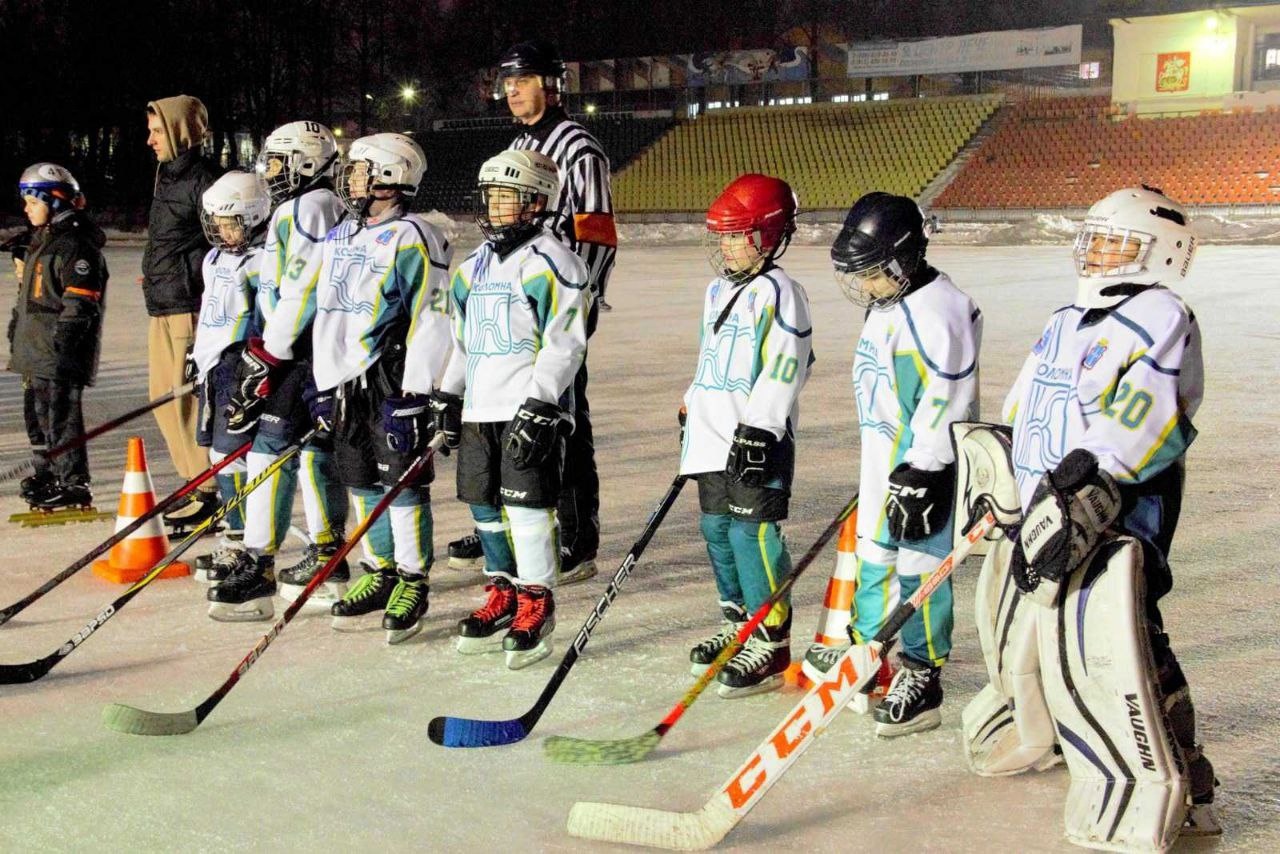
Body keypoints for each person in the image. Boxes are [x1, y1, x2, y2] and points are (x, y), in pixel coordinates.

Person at [1002, 186, 1217, 836]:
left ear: (1165, 252)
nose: (1095, 254)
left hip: (1123, 508)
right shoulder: (1065, 318)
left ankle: (1184, 774)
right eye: (1092, 239)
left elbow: (1149, 417)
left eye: (1113, 242)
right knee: (1070, 639)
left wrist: (1086, 483)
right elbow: (1026, 406)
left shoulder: (1161, 315)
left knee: (1130, 635)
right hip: (1052, 512)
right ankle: (1095, 753)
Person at [803, 192, 981, 736]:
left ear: (904, 259)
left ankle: (922, 674)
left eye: (874, 273)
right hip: (885, 465)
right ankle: (868, 656)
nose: (866, 286)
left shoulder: (941, 310)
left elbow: (947, 396)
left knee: (920, 570)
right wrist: (879, 469)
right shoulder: (886, 305)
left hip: (925, 471)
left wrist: (924, 469)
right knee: (875, 559)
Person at [447, 38, 615, 581]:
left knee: (558, 422)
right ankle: (507, 514)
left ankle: (573, 538)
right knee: (499, 411)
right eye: (507, 81)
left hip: (550, 307)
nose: (511, 90)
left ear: (551, 84)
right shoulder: (523, 141)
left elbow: (595, 233)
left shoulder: (576, 147)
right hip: (515, 301)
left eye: (522, 79)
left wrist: (577, 305)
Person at [436, 149, 589, 670]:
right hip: (481, 408)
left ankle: (537, 600)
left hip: (527, 407)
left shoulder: (554, 261)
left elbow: (565, 343)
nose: (496, 207)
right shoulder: (472, 266)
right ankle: (502, 589)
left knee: (527, 510)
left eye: (508, 197)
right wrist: (448, 393)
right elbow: (464, 341)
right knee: (484, 510)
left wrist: (541, 402)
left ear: (536, 202)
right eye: (492, 196)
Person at [308, 133, 453, 644]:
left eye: (360, 170)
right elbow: (327, 313)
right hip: (346, 382)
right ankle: (381, 567)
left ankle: (414, 577)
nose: (350, 179)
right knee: (362, 480)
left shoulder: (416, 235)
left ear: (390, 177)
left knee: (402, 483)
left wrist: (416, 392)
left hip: (391, 378)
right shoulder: (342, 235)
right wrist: (322, 381)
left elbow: (432, 317)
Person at [680, 173, 812, 699]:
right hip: (712, 437)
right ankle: (737, 621)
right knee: (716, 530)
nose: (728, 246)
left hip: (757, 440)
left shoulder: (781, 293)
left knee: (751, 535)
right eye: (724, 236)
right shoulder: (716, 291)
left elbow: (788, 363)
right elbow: (709, 356)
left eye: (739, 235)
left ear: (770, 235)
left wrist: (760, 427)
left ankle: (770, 638)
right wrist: (692, 398)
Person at [214, 121, 351, 604]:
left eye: (276, 161)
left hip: (296, 353)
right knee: (313, 452)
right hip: (303, 349)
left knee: (268, 452)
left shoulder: (308, 207)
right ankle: (328, 548)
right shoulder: (312, 206)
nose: (269, 172)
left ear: (306, 161)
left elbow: (301, 284)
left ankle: (258, 560)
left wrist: (269, 350)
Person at [186, 171, 270, 589]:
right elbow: (211, 312)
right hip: (214, 368)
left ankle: (241, 539)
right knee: (216, 456)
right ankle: (233, 530)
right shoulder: (214, 258)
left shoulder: (263, 261)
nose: (221, 229)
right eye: (216, 221)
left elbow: (270, 319)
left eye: (230, 220)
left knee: (232, 454)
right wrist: (196, 353)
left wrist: (258, 359)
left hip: (241, 367)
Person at [142, 94, 222, 529]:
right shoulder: (167, 177)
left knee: (186, 398)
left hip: (187, 307)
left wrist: (193, 281)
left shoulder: (204, 178)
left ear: (178, 131)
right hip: (163, 302)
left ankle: (206, 487)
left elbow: (222, 241)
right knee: (163, 398)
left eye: (157, 131)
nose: (150, 139)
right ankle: (194, 479)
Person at [7, 163, 108, 511]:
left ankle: (74, 481)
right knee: (37, 416)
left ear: (55, 201)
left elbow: (79, 303)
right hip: (35, 349)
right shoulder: (43, 241)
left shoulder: (75, 246)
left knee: (61, 417)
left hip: (56, 351)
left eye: (31, 202)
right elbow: (32, 296)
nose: (25, 208)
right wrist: (15, 328)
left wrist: (64, 343)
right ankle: (47, 471)